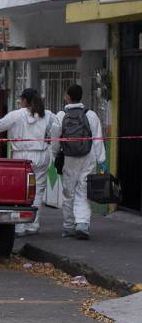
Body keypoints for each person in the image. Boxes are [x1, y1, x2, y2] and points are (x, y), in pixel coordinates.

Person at [0, 88, 55, 236]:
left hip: (22, 156)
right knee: (38, 192)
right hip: (42, 155)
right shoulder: (48, 115)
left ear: (25, 100)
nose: (20, 101)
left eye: (21, 99)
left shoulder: (16, 115)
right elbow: (55, 131)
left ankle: (20, 228)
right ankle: (33, 226)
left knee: (21, 192)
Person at [50, 84, 106, 240]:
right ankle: (82, 224)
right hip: (88, 158)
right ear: (81, 96)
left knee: (69, 193)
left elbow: (55, 140)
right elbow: (97, 139)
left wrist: (54, 155)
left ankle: (69, 226)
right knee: (83, 191)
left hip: (69, 158)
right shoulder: (91, 115)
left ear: (68, 97)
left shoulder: (61, 116)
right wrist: (101, 160)